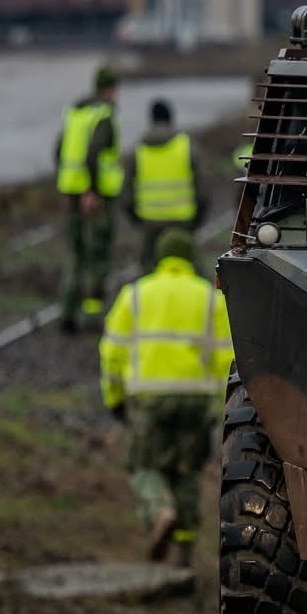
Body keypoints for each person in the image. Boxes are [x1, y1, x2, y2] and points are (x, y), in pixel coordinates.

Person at [99, 227, 233, 566]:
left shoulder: (136, 295)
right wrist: (221, 409)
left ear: (160, 257)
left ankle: (160, 510)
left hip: (149, 397)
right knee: (186, 469)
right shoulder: (210, 299)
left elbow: (112, 352)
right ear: (191, 258)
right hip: (196, 399)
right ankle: (184, 552)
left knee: (143, 463)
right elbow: (226, 359)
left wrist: (113, 397)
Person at [56, 67, 123, 332]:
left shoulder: (75, 113)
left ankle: (68, 314)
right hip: (95, 198)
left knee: (75, 254)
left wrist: (66, 187)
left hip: (72, 192)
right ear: (111, 88)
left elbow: (59, 151)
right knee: (98, 255)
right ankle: (92, 317)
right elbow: (93, 153)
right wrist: (92, 191)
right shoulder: (103, 115)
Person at [122, 98, 207, 268]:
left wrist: (137, 220)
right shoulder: (187, 146)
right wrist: (198, 218)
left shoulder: (138, 150)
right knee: (189, 269)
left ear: (151, 120)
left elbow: (126, 194)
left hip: (150, 223)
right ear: (171, 118)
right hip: (182, 221)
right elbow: (202, 189)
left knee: (149, 273)